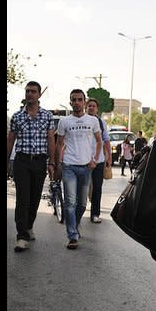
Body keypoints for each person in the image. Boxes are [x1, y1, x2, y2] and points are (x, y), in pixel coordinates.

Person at [7, 82, 57, 253]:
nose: (30, 94)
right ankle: (21, 236)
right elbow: (10, 140)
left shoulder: (47, 116)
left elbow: (51, 140)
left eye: (33, 91)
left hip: (39, 162)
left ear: (39, 95)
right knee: (23, 198)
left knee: (34, 198)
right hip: (21, 161)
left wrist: (52, 162)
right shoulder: (17, 116)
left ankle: (28, 226)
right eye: (27, 91)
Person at [54, 89, 103, 250]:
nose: (76, 102)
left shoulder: (93, 121)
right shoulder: (64, 121)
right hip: (69, 166)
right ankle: (72, 236)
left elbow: (99, 142)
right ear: (70, 102)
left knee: (82, 204)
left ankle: (74, 224)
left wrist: (95, 160)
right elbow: (59, 144)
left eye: (79, 100)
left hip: (86, 167)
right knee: (70, 202)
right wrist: (57, 163)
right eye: (73, 100)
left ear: (84, 102)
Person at [86, 98, 112, 224]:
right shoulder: (81, 121)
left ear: (97, 108)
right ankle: (78, 211)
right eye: (89, 105)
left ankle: (95, 214)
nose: (91, 107)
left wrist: (109, 157)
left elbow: (106, 140)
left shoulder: (101, 123)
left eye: (93, 106)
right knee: (82, 188)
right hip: (82, 160)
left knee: (97, 187)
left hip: (99, 160)